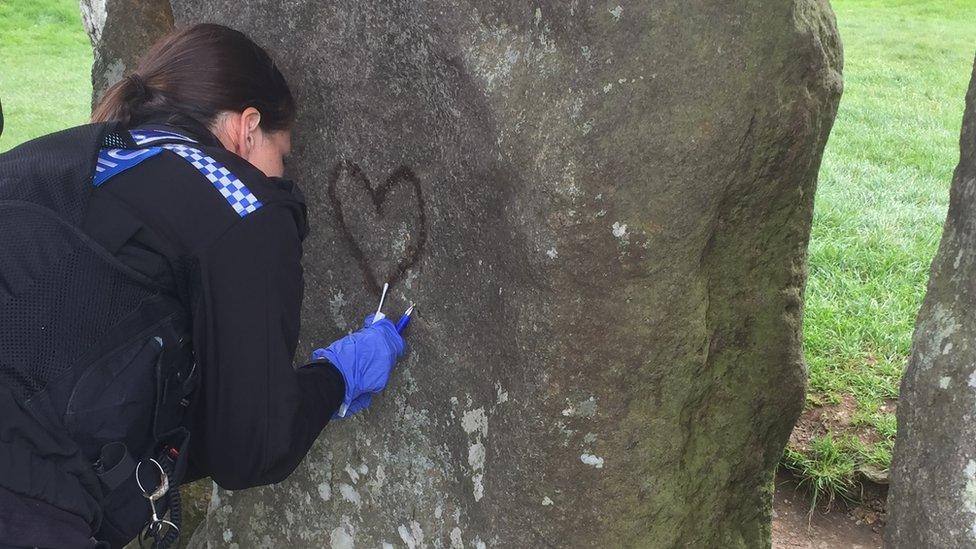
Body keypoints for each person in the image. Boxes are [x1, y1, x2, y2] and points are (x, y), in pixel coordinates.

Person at [0, 23, 406, 548]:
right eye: (282, 157)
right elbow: (253, 446)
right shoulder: (241, 202)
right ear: (248, 127)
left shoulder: (69, 154)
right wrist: (335, 379)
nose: (280, 177)